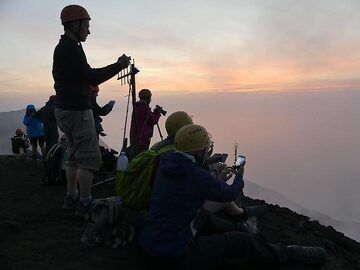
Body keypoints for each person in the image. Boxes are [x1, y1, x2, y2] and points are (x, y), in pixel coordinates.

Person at [140, 124, 326, 269]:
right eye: (205, 149)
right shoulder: (196, 175)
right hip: (174, 257)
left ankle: (242, 226)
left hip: (151, 245)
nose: (207, 152)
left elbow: (188, 190)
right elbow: (228, 194)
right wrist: (239, 177)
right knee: (238, 242)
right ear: (198, 151)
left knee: (202, 218)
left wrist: (215, 179)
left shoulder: (166, 166)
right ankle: (288, 253)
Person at [52, 4, 131, 217]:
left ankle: (71, 196)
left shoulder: (64, 47)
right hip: (78, 111)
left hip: (64, 110)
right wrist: (118, 65)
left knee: (73, 156)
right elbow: (91, 77)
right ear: (74, 24)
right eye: (86, 25)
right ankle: (85, 202)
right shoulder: (71, 48)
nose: (88, 30)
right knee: (89, 159)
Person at [129, 89, 164, 157]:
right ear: (147, 97)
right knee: (142, 156)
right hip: (142, 139)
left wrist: (155, 113)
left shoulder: (138, 106)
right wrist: (158, 113)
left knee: (137, 155)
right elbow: (153, 120)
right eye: (150, 97)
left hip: (136, 136)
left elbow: (148, 118)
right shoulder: (144, 107)